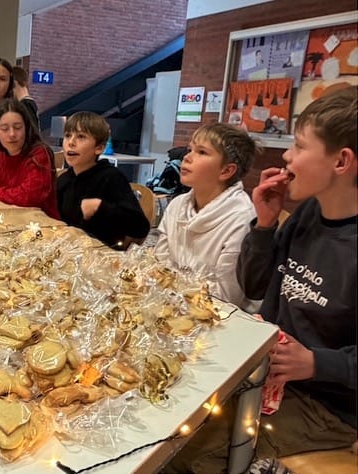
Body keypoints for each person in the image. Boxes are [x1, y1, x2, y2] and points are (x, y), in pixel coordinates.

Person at [164, 87, 357, 474]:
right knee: (164, 409)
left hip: (325, 406)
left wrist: (317, 362)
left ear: (341, 161)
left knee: (181, 454)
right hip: (259, 374)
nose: (286, 156)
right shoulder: (307, 215)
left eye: (299, 146)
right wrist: (265, 226)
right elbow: (254, 287)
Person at [155, 123, 260, 310]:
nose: (186, 157)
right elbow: (159, 265)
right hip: (174, 303)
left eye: (201, 152)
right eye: (190, 149)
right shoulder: (177, 205)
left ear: (226, 171)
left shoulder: (242, 219)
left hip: (222, 316)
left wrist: (173, 285)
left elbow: (226, 297)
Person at [56, 111, 149, 247]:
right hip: (69, 250)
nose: (71, 142)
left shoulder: (111, 177)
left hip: (104, 254)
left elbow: (140, 227)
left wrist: (101, 208)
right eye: (68, 135)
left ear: (99, 148)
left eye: (81, 137)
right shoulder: (64, 179)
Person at [0, 98, 59, 219]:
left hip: (41, 223)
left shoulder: (39, 154)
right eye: (5, 129)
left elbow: (29, 196)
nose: (12, 134)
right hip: (9, 219)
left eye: (18, 127)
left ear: (26, 128)